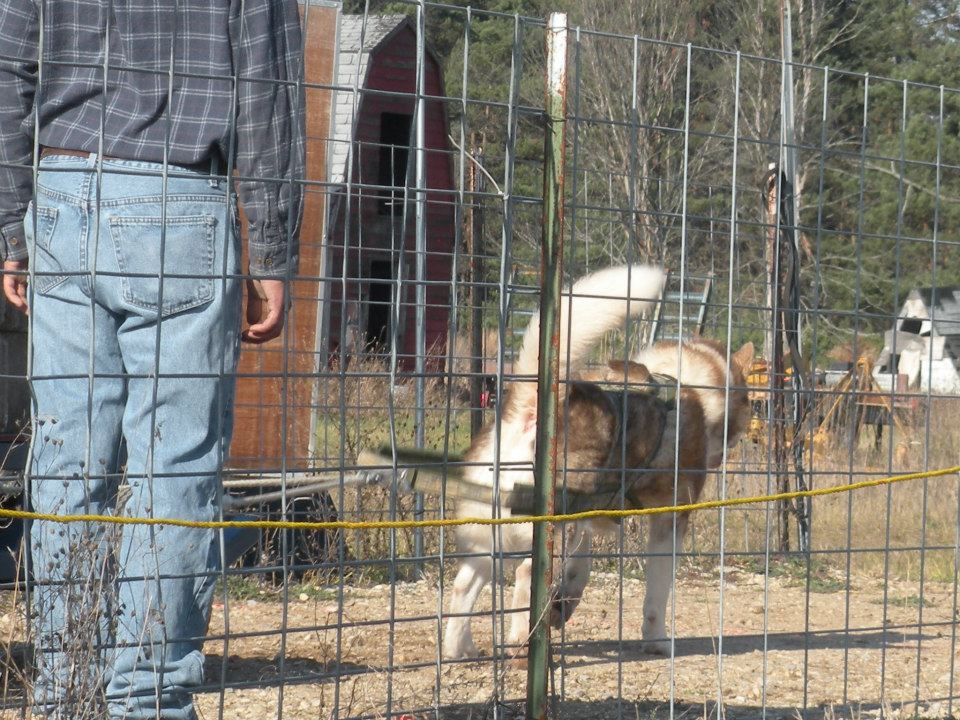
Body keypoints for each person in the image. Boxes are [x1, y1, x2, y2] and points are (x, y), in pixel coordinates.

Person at [0, 2, 304, 718]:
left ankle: (65, 695)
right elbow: (267, 84)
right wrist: (276, 245)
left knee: (69, 464)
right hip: (179, 196)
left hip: (62, 194)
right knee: (175, 470)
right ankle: (146, 699)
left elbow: (9, 66)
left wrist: (9, 221)